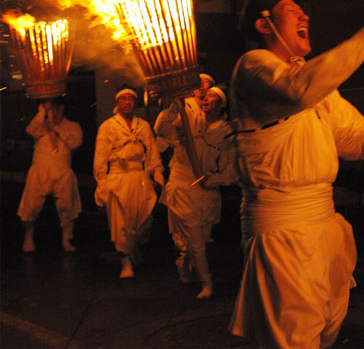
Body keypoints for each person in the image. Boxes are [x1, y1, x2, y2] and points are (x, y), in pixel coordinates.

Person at [228, 0, 364, 349]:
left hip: (325, 227)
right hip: (283, 232)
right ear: (264, 24)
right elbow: (298, 92)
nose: (304, 17)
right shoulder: (252, 67)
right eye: (291, 11)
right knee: (295, 340)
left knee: (326, 329)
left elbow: (348, 135)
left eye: (303, 11)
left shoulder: (309, 78)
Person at [154, 74, 222, 299]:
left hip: (206, 184)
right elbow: (161, 129)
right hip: (183, 181)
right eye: (201, 84)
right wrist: (173, 109)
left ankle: (185, 260)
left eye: (209, 86)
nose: (204, 88)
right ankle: (207, 282)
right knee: (192, 235)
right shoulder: (184, 108)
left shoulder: (214, 120)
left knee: (201, 236)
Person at [94, 85, 164, 279]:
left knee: (144, 220)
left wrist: (157, 175)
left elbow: (152, 152)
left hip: (140, 177)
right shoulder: (108, 126)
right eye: (123, 99)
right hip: (118, 178)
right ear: (117, 102)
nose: (127, 102)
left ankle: (133, 248)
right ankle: (125, 261)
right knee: (121, 223)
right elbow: (100, 157)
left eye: (131, 99)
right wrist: (102, 182)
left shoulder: (143, 125)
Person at [18, 97, 83, 253]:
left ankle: (67, 239)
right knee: (31, 206)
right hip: (40, 170)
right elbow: (30, 130)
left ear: (61, 108)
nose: (52, 111)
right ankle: (28, 237)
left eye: (54, 108)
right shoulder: (42, 125)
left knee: (67, 206)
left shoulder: (73, 126)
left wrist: (57, 129)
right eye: (50, 108)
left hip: (62, 171)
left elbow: (75, 143)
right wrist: (43, 112)